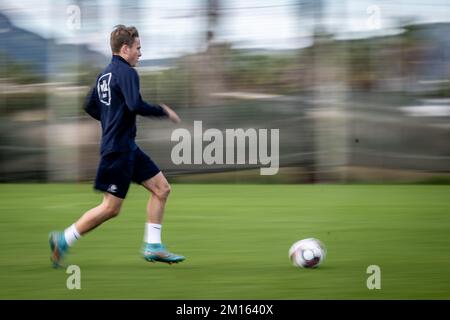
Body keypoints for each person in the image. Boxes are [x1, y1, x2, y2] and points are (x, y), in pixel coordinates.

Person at [49, 25, 185, 267]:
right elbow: (134, 104)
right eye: (138, 48)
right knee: (110, 208)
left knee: (162, 189)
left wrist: (110, 118)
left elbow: (90, 106)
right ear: (125, 49)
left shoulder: (105, 75)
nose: (140, 53)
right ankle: (64, 238)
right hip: (117, 151)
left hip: (126, 146)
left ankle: (153, 246)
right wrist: (162, 111)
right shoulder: (128, 73)